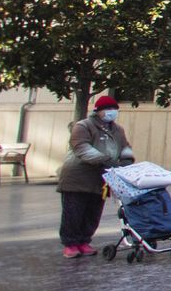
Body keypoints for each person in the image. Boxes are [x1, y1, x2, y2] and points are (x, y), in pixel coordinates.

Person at [57, 94, 133, 258]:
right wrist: (106, 160)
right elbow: (81, 148)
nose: (112, 112)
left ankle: (84, 241)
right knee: (74, 212)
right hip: (77, 177)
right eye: (108, 109)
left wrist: (127, 160)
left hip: (101, 178)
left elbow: (125, 147)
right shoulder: (83, 126)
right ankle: (70, 244)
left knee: (93, 212)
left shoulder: (117, 130)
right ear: (98, 110)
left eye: (114, 109)